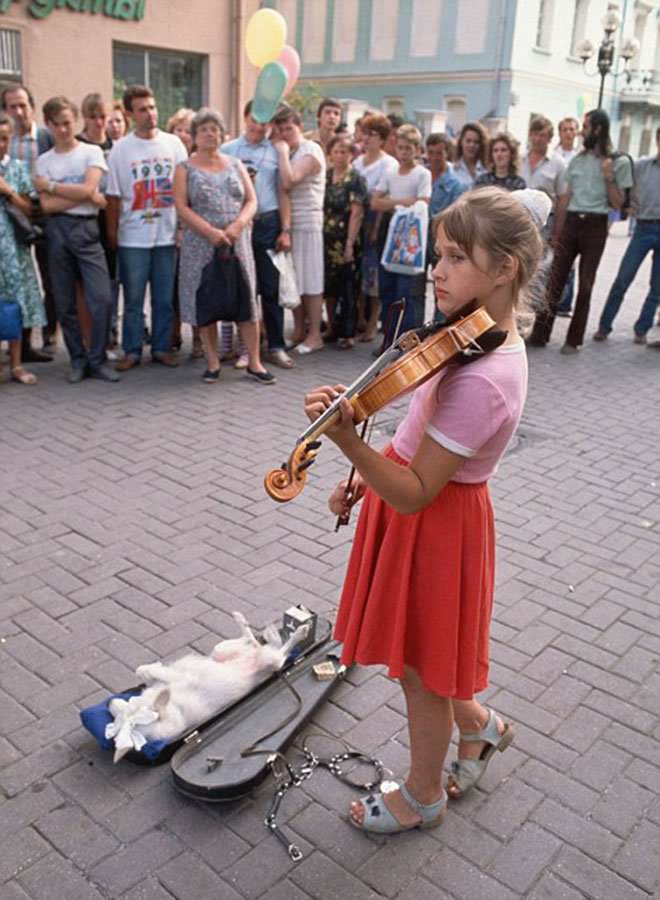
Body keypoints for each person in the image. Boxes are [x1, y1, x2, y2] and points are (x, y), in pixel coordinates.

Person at [302, 186, 547, 835]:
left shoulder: (488, 377)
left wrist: (348, 439)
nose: (435, 269)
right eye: (438, 255)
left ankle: (423, 795)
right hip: (418, 513)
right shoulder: (468, 336)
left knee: (421, 674)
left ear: (505, 269)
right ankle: (481, 728)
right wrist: (362, 471)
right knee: (426, 660)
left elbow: (416, 489)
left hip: (436, 527)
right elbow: (414, 432)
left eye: (455, 257)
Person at [174, 107, 274, 385]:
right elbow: (181, 207)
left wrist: (236, 226)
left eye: (214, 129)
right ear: (194, 136)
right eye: (203, 129)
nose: (209, 133)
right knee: (206, 301)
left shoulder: (235, 163)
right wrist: (210, 231)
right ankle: (213, 361)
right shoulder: (184, 168)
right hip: (200, 245)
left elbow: (252, 201)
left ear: (222, 134)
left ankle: (254, 361)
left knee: (245, 301)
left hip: (237, 243)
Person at [528, 109, 633, 353]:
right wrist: (558, 232)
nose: (580, 132)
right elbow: (565, 198)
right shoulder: (576, 160)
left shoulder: (618, 162)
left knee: (586, 283)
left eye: (585, 127)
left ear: (597, 129)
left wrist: (608, 177)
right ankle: (540, 334)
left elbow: (619, 203)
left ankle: (573, 340)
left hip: (596, 224)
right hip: (573, 222)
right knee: (555, 279)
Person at [34, 96, 117, 383]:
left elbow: (90, 189)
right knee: (65, 301)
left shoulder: (91, 152)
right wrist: (85, 195)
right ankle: (78, 360)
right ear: (49, 125)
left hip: (87, 230)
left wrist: (55, 187)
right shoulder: (43, 160)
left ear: (75, 121)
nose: (64, 130)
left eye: (68, 123)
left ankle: (98, 358)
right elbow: (46, 206)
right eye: (57, 125)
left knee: (102, 298)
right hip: (56, 232)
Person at [106, 85, 188, 371]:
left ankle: (162, 347)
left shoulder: (174, 145)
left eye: (152, 107)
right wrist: (113, 234)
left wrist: (181, 228)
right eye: (142, 109)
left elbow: (183, 190)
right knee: (133, 300)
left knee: (164, 298)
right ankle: (132, 351)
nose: (150, 114)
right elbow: (113, 197)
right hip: (133, 238)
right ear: (130, 114)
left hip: (166, 236)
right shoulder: (120, 150)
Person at [223, 100, 294, 369]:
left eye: (264, 120)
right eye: (254, 119)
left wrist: (285, 229)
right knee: (244, 288)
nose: (258, 125)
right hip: (238, 225)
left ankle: (276, 345)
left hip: (267, 223)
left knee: (270, 287)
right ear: (245, 118)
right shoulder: (228, 150)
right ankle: (247, 350)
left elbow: (283, 191)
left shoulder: (275, 151)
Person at [2, 83, 55, 361]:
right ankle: (19, 345)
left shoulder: (47, 138)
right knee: (16, 283)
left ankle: (47, 336)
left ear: (32, 107)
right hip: (11, 226)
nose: (19, 111)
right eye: (13, 106)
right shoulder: (5, 140)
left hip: (45, 216)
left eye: (23, 105)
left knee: (49, 279)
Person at [594, 125, 660, 345]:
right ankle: (604, 326)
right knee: (623, 278)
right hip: (643, 227)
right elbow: (626, 185)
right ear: (658, 141)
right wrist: (627, 205)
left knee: (657, 286)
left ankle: (642, 328)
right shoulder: (642, 166)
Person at [272, 105, 326, 354]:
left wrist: (282, 152)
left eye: (289, 129)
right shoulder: (290, 151)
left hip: (309, 221)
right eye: (280, 130)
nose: (285, 134)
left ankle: (315, 334)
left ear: (300, 127)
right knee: (295, 279)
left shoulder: (310, 150)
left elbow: (290, 179)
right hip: (291, 223)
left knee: (311, 279)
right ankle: (299, 330)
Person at [371, 123, 432, 342]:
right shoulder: (389, 172)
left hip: (412, 234)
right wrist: (400, 202)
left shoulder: (422, 174)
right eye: (401, 147)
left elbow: (423, 201)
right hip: (390, 232)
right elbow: (376, 202)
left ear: (417, 149)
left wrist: (394, 203)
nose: (404, 152)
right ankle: (389, 340)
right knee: (388, 290)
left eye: (409, 148)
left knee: (407, 292)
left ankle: (407, 341)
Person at [0, 112, 46, 385]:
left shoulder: (17, 168)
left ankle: (16, 364)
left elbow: (31, 210)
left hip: (13, 251)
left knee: (14, 305)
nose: (0, 144)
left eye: (4, 138)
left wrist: (8, 191)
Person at [77, 92, 119, 356]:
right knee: (85, 286)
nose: (99, 122)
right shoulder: (79, 146)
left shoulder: (117, 146)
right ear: (85, 118)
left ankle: (108, 335)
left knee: (110, 284)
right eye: (93, 117)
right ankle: (89, 339)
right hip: (86, 221)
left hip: (112, 220)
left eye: (102, 116)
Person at [353, 113, 398, 342]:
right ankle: (359, 319)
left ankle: (373, 323)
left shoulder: (389, 164)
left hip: (377, 221)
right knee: (359, 272)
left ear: (382, 138)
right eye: (366, 133)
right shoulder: (357, 162)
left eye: (373, 134)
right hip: (356, 218)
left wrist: (375, 228)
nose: (368, 138)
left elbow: (386, 197)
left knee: (374, 275)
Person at [323, 135, 368, 349]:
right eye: (336, 151)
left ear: (351, 154)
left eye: (344, 151)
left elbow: (357, 213)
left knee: (348, 286)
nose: (339, 155)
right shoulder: (326, 175)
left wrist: (350, 243)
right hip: (326, 239)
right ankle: (331, 326)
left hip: (347, 239)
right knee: (328, 286)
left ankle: (348, 332)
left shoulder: (356, 178)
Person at [427, 133, 461, 216]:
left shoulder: (456, 181)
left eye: (439, 153)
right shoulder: (420, 174)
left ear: (447, 153)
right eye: (431, 152)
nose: (434, 157)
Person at [453, 121, 489, 191]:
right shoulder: (453, 170)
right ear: (461, 142)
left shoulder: (487, 170)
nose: (472, 145)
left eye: (476, 142)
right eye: (468, 141)